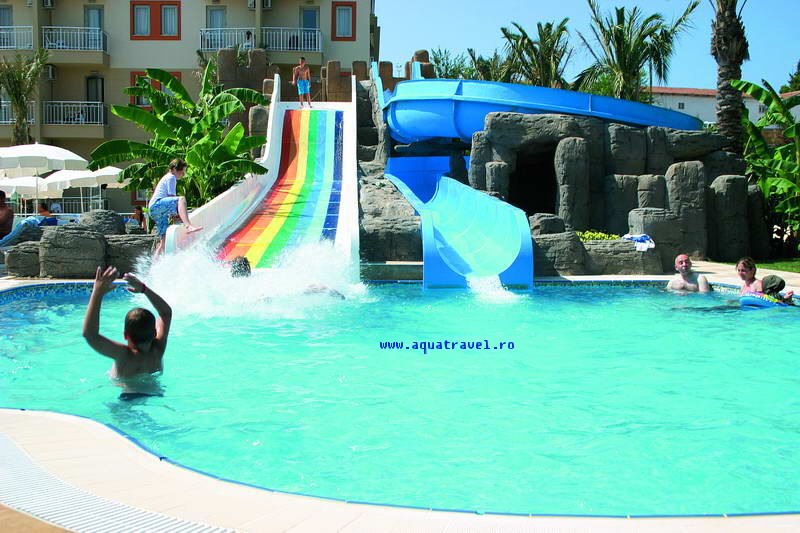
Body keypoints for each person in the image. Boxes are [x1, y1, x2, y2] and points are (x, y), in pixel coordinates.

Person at [82, 266, 172, 400]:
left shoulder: (124, 355)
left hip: (128, 397)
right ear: (154, 333)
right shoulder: (158, 350)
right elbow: (166, 313)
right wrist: (144, 289)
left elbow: (90, 335)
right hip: (156, 392)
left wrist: (97, 292)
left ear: (125, 335)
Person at [148, 158, 202, 256]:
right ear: (174, 169)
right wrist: (178, 214)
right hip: (157, 205)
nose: (183, 174)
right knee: (181, 199)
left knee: (163, 243)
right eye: (182, 172)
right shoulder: (171, 177)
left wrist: (174, 215)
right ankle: (188, 226)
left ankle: (154, 263)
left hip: (155, 210)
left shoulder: (167, 177)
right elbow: (172, 197)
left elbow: (169, 203)